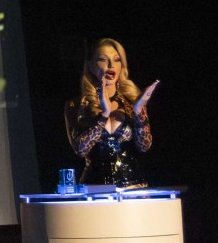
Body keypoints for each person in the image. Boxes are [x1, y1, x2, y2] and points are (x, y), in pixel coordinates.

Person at [67, 38, 158, 188]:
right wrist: (104, 114)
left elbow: (144, 146)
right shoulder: (76, 105)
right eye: (103, 59)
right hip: (94, 188)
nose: (111, 65)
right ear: (90, 64)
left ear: (122, 65)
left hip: (133, 186)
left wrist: (138, 110)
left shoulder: (131, 102)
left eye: (117, 60)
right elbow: (81, 150)